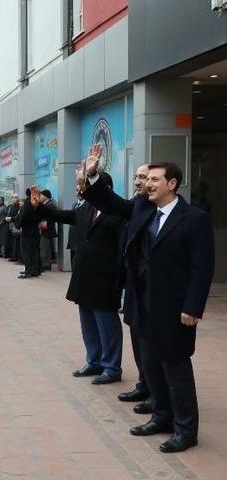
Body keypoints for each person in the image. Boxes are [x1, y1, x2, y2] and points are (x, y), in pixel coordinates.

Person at [81, 150, 214, 453]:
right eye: (147, 179)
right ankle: (161, 416)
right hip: (142, 302)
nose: (147, 184)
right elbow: (112, 203)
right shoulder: (143, 208)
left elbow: (202, 268)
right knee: (150, 363)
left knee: (175, 367)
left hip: (175, 306)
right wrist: (93, 175)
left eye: (155, 179)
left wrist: (193, 307)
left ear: (173, 184)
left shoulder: (195, 219)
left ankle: (185, 430)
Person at [27, 174, 126, 385]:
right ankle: (94, 361)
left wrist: (121, 278)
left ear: (104, 188)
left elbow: (122, 250)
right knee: (88, 321)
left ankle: (111, 367)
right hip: (84, 275)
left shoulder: (119, 212)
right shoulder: (85, 209)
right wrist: (40, 207)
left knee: (106, 323)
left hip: (106, 278)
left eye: (85, 186)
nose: (81, 190)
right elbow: (62, 216)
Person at [117, 163, 154, 415]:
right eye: (137, 176)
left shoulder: (157, 210)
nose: (139, 181)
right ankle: (144, 384)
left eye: (145, 177)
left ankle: (155, 392)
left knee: (150, 343)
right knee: (137, 338)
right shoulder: (136, 204)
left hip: (151, 287)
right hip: (133, 285)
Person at [16, 188, 43, 278]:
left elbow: (23, 217)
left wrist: (18, 224)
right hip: (35, 231)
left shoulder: (27, 203)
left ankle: (28, 270)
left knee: (26, 252)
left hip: (27, 232)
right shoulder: (39, 203)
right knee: (35, 251)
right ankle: (36, 270)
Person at [39, 190, 58, 271]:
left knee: (45, 248)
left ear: (46, 196)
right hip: (46, 230)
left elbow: (48, 218)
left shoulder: (49, 205)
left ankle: (45, 264)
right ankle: (46, 263)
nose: (40, 197)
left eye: (41, 195)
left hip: (47, 230)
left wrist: (41, 225)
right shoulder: (47, 204)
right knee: (45, 247)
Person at [67, 193, 86, 265]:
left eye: (81, 190)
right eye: (77, 191)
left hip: (81, 238)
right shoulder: (74, 204)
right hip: (72, 238)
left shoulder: (88, 205)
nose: (79, 193)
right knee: (73, 260)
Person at [5, 195, 21, 262]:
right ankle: (11, 255)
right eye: (13, 198)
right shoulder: (10, 206)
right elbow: (7, 214)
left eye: (15, 198)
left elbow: (17, 216)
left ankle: (15, 257)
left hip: (15, 225)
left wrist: (11, 219)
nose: (14, 199)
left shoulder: (19, 207)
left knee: (15, 242)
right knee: (10, 241)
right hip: (9, 225)